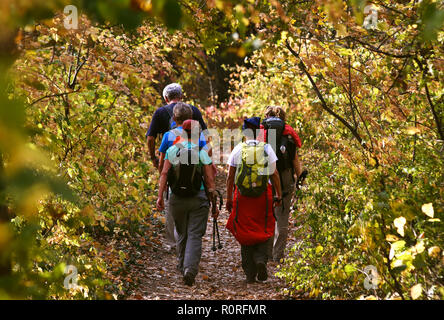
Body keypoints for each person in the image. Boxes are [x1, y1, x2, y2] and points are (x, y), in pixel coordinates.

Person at [156, 119, 218, 286]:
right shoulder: (201, 152)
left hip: (176, 199)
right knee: (195, 234)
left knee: (181, 232)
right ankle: (189, 269)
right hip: (198, 198)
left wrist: (160, 196)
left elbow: (164, 173)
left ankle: (182, 264)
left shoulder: (172, 150)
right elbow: (209, 180)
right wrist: (213, 203)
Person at [146, 83, 207, 250]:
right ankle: (188, 237)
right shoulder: (193, 110)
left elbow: (150, 138)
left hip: (171, 162)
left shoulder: (160, 113)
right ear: (181, 95)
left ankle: (175, 243)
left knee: (171, 197)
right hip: (194, 163)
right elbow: (206, 135)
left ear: (166, 98)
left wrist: (153, 158)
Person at [225, 117, 282, 283]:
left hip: (242, 197)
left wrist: (229, 198)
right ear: (259, 133)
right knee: (264, 227)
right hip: (263, 196)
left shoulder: (238, 149)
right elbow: (275, 174)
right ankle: (260, 260)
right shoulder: (267, 149)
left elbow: (230, 177)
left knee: (245, 230)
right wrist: (278, 194)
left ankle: (249, 271)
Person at [261, 106, 303, 262]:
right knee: (282, 215)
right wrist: (299, 180)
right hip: (285, 176)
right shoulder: (288, 135)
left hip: (265, 174)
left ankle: (265, 253)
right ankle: (277, 255)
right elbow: (295, 161)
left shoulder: (261, 132)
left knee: (266, 214)